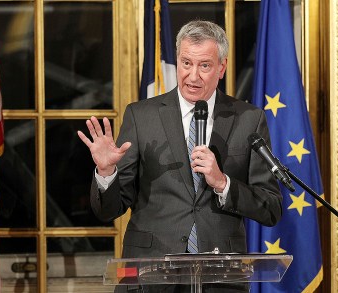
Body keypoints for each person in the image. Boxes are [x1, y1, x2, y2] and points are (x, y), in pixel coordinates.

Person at [78, 20, 283, 293]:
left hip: (219, 277)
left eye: (205, 65)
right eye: (186, 63)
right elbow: (109, 210)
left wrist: (223, 183)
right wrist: (106, 173)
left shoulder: (248, 119)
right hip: (150, 275)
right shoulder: (141, 116)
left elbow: (270, 207)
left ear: (221, 67)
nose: (193, 76)